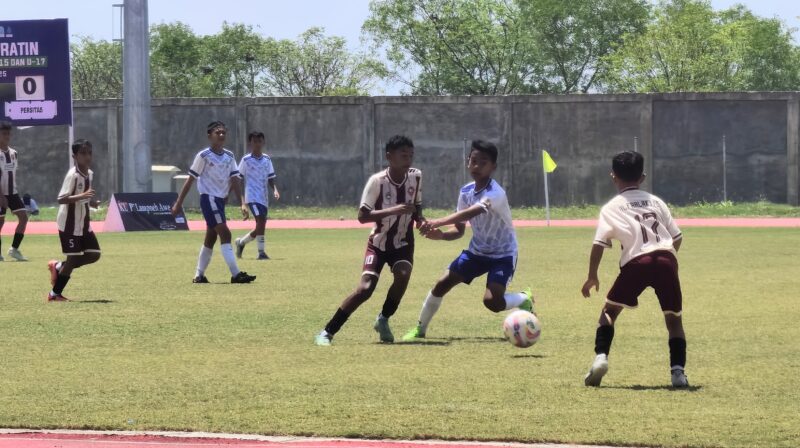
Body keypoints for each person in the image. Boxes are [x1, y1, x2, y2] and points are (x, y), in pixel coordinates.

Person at [403, 140, 532, 341]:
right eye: (473, 161)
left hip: (503, 254)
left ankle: (524, 298)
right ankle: (420, 329)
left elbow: (474, 211)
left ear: (493, 167)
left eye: (483, 162)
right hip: (477, 253)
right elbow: (459, 230)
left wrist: (436, 222)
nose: (477, 166)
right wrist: (442, 235)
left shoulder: (495, 193)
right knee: (441, 284)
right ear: (467, 162)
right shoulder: (465, 192)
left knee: (492, 302)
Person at [580, 151, 688, 388]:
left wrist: (592, 276)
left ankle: (600, 358)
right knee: (674, 320)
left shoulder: (611, 207)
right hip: (666, 259)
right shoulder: (656, 202)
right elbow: (677, 237)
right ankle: (678, 373)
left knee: (610, 311)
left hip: (636, 263)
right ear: (643, 176)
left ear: (613, 176)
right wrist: (667, 261)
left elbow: (599, 244)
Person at [315, 135, 423, 346]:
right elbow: (362, 216)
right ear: (389, 157)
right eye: (403, 155)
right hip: (379, 243)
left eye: (411, 155)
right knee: (365, 289)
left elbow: (417, 205)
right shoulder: (377, 181)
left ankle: (383, 319)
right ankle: (327, 332)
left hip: (403, 242)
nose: (408, 159)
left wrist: (421, 220)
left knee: (403, 274)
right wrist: (394, 210)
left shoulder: (416, 176)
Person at [171, 121, 256, 284]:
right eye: (218, 133)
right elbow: (190, 180)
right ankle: (236, 274)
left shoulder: (229, 156)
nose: (222, 135)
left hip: (219, 201)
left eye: (224, 132)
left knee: (211, 237)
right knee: (226, 234)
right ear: (210, 136)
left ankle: (199, 275)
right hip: (208, 199)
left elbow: (235, 180)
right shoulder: (203, 156)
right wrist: (178, 203)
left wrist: (242, 203)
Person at [46, 139, 102, 301]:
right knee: (73, 259)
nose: (87, 156)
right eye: (83, 153)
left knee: (94, 254)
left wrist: (91, 202)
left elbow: (82, 198)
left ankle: (58, 266)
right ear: (75, 156)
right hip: (69, 224)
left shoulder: (89, 174)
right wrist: (83, 196)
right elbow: (61, 199)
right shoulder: (73, 175)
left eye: (89, 153)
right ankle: (54, 294)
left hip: (83, 223)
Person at [235, 131, 279, 260]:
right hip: (252, 196)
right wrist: (243, 202)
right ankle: (261, 252)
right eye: (254, 141)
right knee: (260, 220)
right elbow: (238, 179)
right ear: (250, 143)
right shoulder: (246, 160)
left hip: (263, 197)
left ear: (263, 142)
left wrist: (275, 190)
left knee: (260, 226)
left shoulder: (267, 159)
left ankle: (241, 242)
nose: (257, 144)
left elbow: (271, 177)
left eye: (259, 141)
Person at [0, 120, 29, 261]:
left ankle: (14, 249)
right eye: (4, 133)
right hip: (0, 194)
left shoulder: (14, 153)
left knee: (23, 217)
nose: (7, 136)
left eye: (8, 134)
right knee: (0, 222)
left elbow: (12, 173)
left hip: (12, 193)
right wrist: (1, 196)